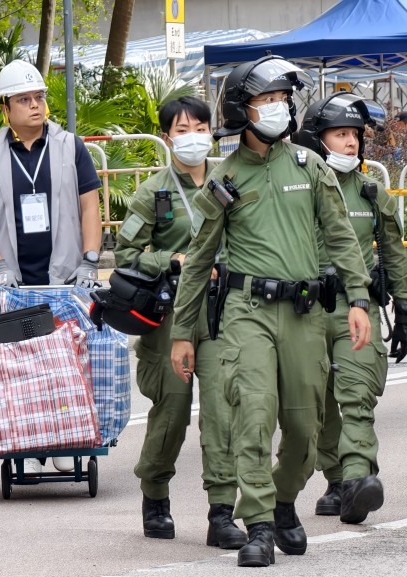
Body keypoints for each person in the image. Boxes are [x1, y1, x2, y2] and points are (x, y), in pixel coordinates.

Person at [169, 55, 372, 568]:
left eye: (283, 100)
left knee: (305, 428)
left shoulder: (311, 166)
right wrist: (183, 332)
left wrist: (360, 299)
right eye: (267, 100)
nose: (279, 109)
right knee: (253, 418)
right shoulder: (226, 178)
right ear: (244, 109)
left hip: (305, 313)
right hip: (246, 313)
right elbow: (198, 262)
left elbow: (342, 238)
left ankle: (284, 503)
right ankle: (258, 523)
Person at [0, 59, 103, 476]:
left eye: (39, 97)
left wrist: (91, 259)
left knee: (66, 363)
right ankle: (28, 439)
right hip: (16, 285)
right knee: (21, 368)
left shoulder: (69, 147)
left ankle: (66, 438)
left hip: (64, 279)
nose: (35, 106)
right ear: (5, 108)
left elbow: (89, 205)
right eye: (24, 99)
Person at [114, 96, 245, 548]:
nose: (193, 136)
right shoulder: (153, 191)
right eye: (183, 128)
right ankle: (155, 494)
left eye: (200, 127)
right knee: (171, 412)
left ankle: (221, 512)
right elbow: (127, 256)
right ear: (167, 136)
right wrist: (174, 259)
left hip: (223, 312)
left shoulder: (231, 180)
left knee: (222, 411)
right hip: (171, 315)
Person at [292, 93, 406, 524]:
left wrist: (406, 306)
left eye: (355, 135)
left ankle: (359, 479)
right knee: (316, 402)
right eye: (341, 134)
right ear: (318, 140)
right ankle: (337, 478)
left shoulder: (372, 193)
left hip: (357, 306)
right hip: (306, 307)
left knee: (356, 396)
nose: (351, 143)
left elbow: (394, 252)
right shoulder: (297, 190)